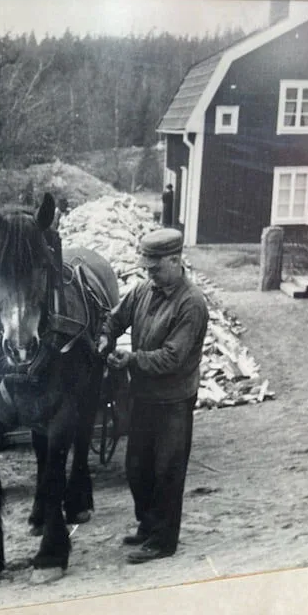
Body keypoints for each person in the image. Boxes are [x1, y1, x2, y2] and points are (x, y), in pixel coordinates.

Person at [97, 228, 208, 564]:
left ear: (175, 261)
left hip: (174, 400)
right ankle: (147, 525)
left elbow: (172, 358)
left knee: (167, 472)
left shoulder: (191, 304)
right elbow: (116, 318)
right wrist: (105, 338)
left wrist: (131, 360)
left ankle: (163, 541)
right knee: (137, 467)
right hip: (143, 395)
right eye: (146, 268)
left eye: (156, 268)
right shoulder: (144, 289)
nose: (150, 274)